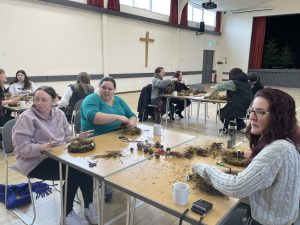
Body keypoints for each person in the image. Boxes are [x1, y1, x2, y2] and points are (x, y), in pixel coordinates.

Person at [193, 88, 300, 225]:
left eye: (260, 112)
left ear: (279, 116)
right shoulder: (290, 140)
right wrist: (231, 171)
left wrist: (202, 168)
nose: (252, 117)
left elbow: (236, 188)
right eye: (251, 111)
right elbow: (266, 176)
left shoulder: (278, 149)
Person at [12, 86, 97, 225]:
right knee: (73, 170)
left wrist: (77, 138)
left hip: (59, 156)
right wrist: (41, 147)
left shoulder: (59, 114)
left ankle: (88, 205)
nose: (39, 103)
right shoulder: (26, 117)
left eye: (44, 100)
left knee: (84, 165)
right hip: (34, 161)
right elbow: (21, 149)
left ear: (53, 101)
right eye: (36, 99)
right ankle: (67, 213)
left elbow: (66, 138)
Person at [215, 68, 253, 133]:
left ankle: (227, 129)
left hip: (238, 106)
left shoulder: (233, 82)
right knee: (234, 114)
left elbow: (218, 87)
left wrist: (217, 85)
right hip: (246, 106)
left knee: (221, 113)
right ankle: (241, 126)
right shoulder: (247, 82)